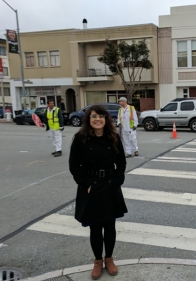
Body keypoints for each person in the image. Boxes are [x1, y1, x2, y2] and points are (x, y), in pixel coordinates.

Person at [69, 105, 127, 280]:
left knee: (110, 226)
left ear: (106, 119)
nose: (97, 119)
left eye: (101, 116)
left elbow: (122, 163)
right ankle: (97, 261)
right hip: (90, 186)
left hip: (110, 185)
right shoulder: (80, 139)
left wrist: (117, 182)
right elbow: (74, 166)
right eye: (94, 116)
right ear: (88, 118)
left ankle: (109, 259)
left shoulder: (114, 137)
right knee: (95, 227)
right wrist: (85, 184)